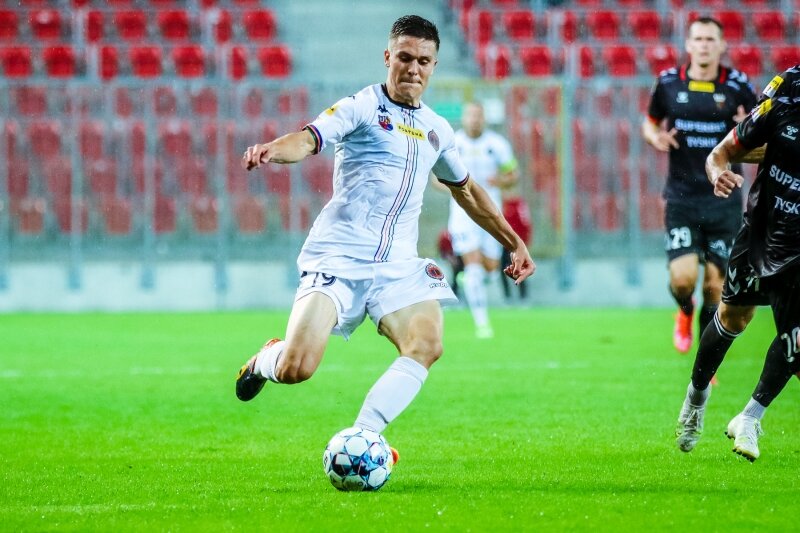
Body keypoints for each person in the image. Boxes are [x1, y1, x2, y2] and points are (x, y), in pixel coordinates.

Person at [235, 16, 535, 455]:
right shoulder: (360, 107)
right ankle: (266, 360)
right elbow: (308, 139)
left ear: (434, 66)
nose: (413, 68)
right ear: (388, 57)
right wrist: (271, 151)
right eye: (405, 58)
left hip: (396, 265)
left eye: (424, 61)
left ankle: (365, 437)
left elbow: (467, 190)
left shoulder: (437, 130)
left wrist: (513, 242)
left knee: (426, 343)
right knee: (297, 368)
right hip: (339, 258)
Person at [675, 65, 799, 460]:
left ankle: (750, 416)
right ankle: (696, 398)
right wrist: (718, 171)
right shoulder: (787, 92)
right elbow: (729, 149)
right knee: (734, 317)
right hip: (765, 229)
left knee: (798, 341)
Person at [642, 16, 757, 354]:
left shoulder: (738, 85)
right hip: (682, 197)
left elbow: (762, 128)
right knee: (683, 280)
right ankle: (684, 310)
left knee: (715, 287)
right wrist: (655, 137)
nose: (704, 45)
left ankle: (705, 363)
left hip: (723, 200)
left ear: (721, 45)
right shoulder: (668, 82)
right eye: (699, 39)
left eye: (710, 39)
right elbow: (649, 122)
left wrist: (748, 127)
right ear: (688, 45)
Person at [447, 102, 520, 337]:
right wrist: (456, 189)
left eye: (478, 116)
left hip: (491, 212)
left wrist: (499, 181)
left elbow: (513, 175)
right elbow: (435, 179)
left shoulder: (497, 145)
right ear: (464, 118)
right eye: (471, 116)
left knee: (489, 269)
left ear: (484, 119)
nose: (475, 120)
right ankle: (482, 324)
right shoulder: (453, 143)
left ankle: (471, 279)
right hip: (462, 213)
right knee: (474, 265)